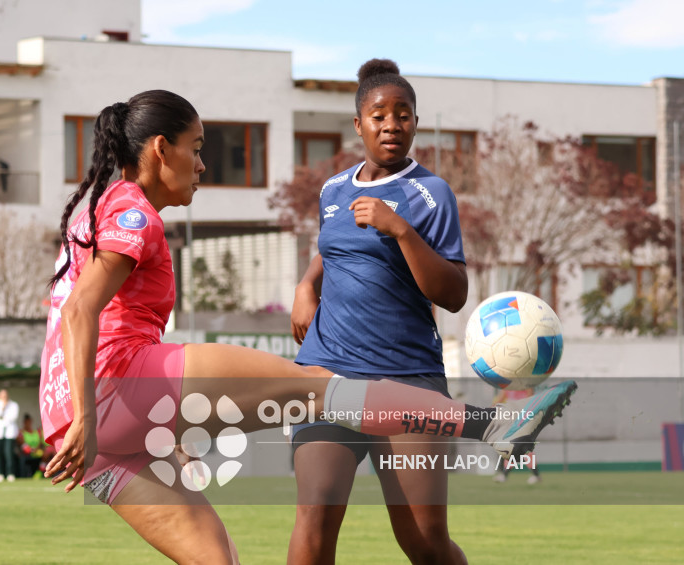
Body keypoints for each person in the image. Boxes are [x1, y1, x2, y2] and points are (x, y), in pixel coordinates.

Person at [39, 89, 576, 563]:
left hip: (77, 429)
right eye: (197, 148)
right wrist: (94, 413)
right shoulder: (134, 211)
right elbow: (79, 310)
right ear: (161, 149)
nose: (202, 165)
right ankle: (494, 424)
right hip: (111, 391)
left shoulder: (103, 207)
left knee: (213, 559)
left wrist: (122, 425)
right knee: (322, 391)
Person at [284, 58, 507, 564]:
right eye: (380, 115)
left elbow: (452, 293)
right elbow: (334, 249)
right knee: (313, 520)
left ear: (415, 123)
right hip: (328, 373)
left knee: (423, 541)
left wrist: (400, 229)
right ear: (358, 124)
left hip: (408, 380)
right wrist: (306, 284)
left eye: (403, 115)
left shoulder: (430, 194)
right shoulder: (333, 190)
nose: (392, 125)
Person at [492, 388, 542, 484]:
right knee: (515, 448)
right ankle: (535, 475)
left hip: (523, 420)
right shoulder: (507, 386)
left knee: (521, 448)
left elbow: (531, 398)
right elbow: (500, 399)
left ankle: (505, 475)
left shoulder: (525, 384)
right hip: (513, 419)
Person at [0, 389, 19, 483]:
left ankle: (10, 473)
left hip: (9, 433)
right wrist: (3, 407)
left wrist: (4, 416)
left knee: (9, 453)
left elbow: (13, 417)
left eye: (5, 395)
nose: (4, 397)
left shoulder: (14, 405)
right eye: (2, 395)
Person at [17, 413, 53, 478]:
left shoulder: (37, 432)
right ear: (24, 422)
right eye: (26, 422)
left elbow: (40, 443)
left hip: (37, 451)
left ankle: (40, 472)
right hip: (27, 453)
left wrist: (37, 449)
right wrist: (31, 450)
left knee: (48, 453)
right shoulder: (21, 432)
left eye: (29, 421)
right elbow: (22, 444)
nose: (28, 423)